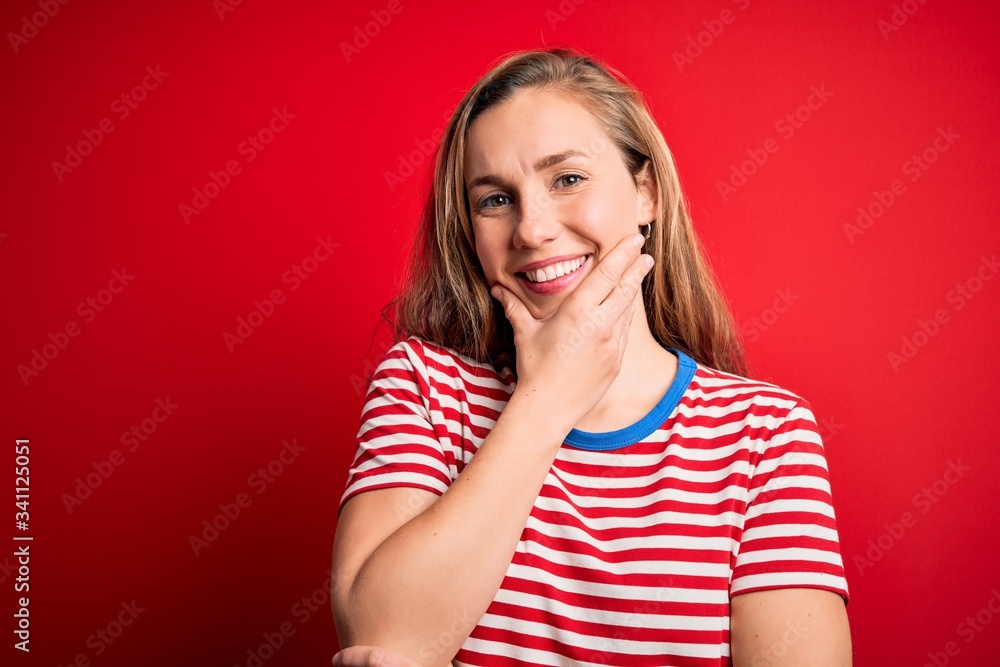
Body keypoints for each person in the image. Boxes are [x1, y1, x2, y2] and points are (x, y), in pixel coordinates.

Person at [331, 47, 852, 666]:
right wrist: (548, 398)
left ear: (646, 194)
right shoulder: (423, 389)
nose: (531, 229)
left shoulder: (765, 434)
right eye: (494, 199)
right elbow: (384, 637)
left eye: (567, 179)